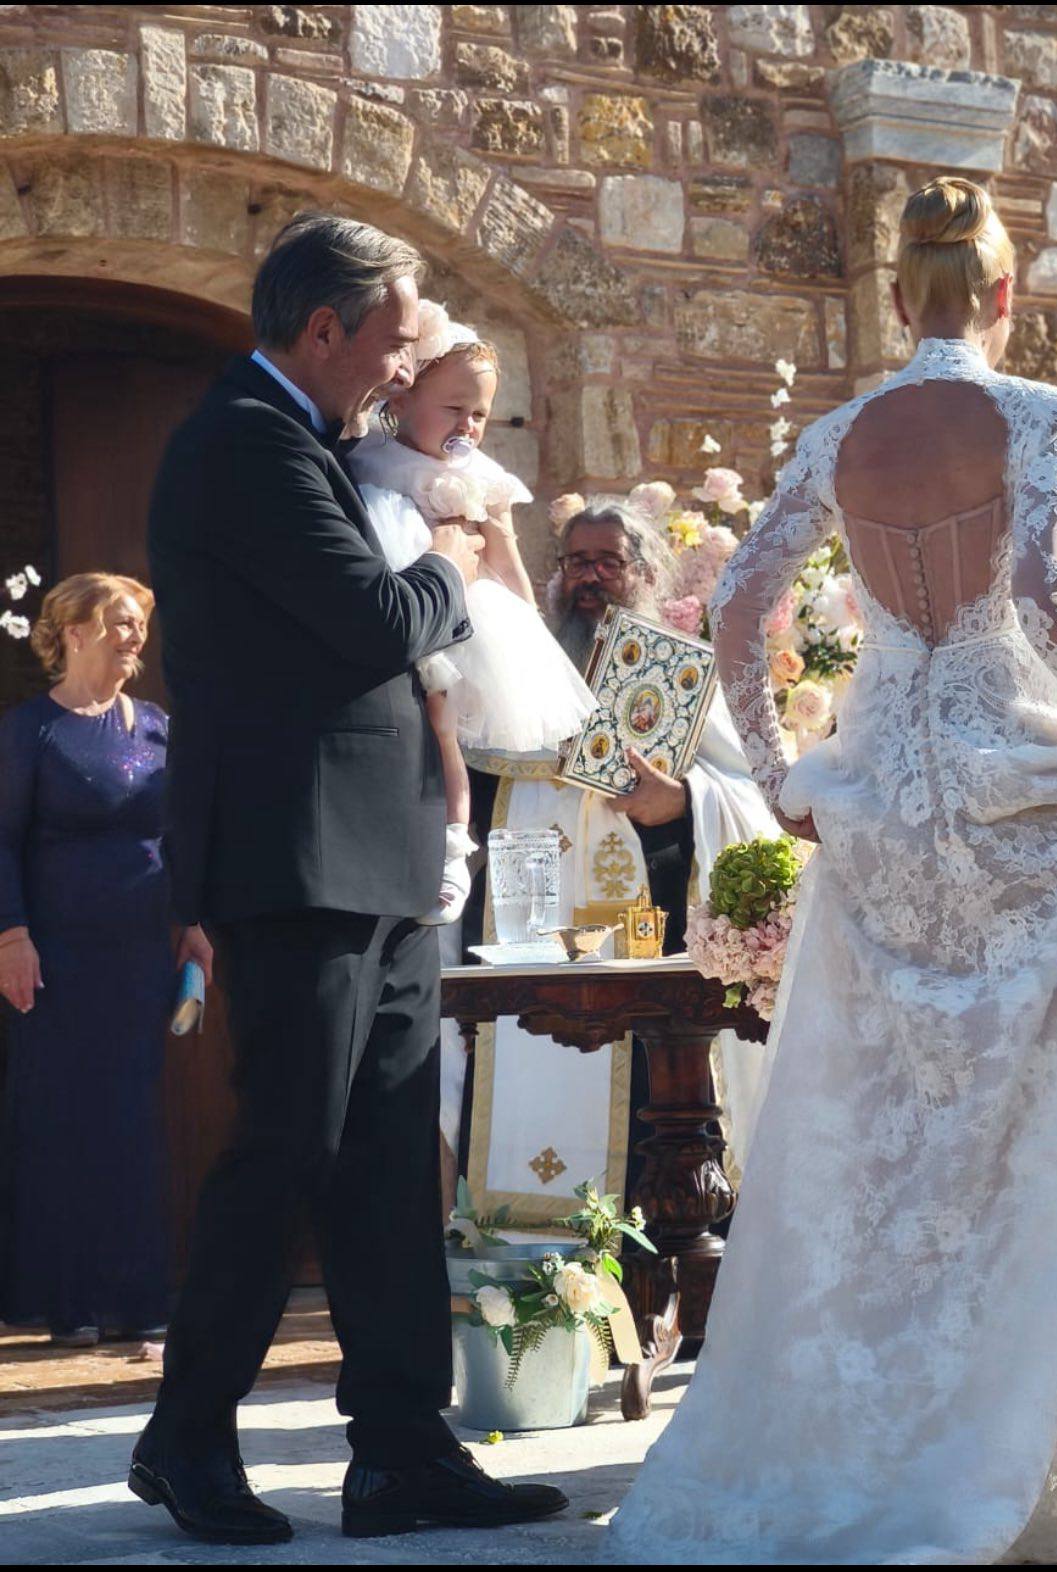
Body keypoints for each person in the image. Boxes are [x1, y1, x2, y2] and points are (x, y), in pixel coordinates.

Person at [609, 175, 1057, 1565]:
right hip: (1014, 797)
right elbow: (1043, 587)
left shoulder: (838, 433)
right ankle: (1034, 1436)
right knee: (1051, 1118)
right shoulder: (1041, 415)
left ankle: (885, 1427)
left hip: (880, 804)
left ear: (898, 292)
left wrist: (778, 774)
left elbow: (737, 607)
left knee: (894, 1126)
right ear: (1002, 292)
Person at [132, 212, 566, 1546]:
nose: (402, 366)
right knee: (287, 1147)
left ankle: (400, 1450)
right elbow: (377, 622)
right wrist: (450, 559)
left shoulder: (319, 442)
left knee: (386, 1163)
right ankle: (186, 1438)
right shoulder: (245, 444)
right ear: (324, 329)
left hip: (380, 854)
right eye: (391, 340)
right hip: (295, 857)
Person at [455, 499, 779, 1221]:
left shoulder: (680, 675)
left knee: (652, 1119)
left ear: (646, 573)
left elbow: (756, 800)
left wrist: (683, 800)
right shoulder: (522, 674)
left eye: (609, 562)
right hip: (531, 940)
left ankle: (657, 1259)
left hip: (650, 944)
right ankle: (534, 1261)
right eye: (577, 562)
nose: (590, 577)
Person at [0, 573, 211, 1346]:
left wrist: (194, 925)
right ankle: (71, 1302)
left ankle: (136, 1298)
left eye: (139, 624)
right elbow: (0, 841)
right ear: (75, 631)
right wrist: (10, 936)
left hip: (138, 956)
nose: (135, 636)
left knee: (129, 1122)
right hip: (55, 959)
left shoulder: (155, 726)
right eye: (120, 622)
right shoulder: (31, 731)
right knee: (62, 1121)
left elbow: (180, 835)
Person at [347, 299, 595, 925]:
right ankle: (417, 843)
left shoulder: (482, 475)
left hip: (470, 619)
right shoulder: (371, 461)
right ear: (402, 399)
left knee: (447, 729)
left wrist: (528, 627)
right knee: (424, 727)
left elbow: (506, 559)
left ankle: (455, 846)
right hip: (408, 602)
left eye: (480, 414)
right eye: (454, 408)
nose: (469, 426)